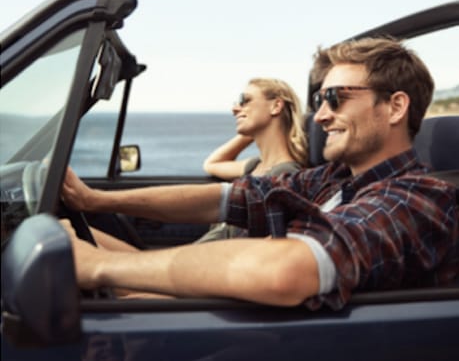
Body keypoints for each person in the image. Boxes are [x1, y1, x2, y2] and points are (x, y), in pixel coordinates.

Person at [61, 37, 458, 310]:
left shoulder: (418, 200)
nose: (319, 115)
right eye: (320, 99)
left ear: (394, 107)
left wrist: (98, 265)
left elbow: (287, 270)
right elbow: (226, 198)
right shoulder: (333, 179)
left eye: (335, 99)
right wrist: (94, 200)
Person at [197, 77, 308, 242]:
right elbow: (212, 164)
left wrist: (249, 128)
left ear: (276, 106)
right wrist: (249, 132)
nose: (235, 109)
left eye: (244, 101)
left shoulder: (285, 175)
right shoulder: (256, 166)